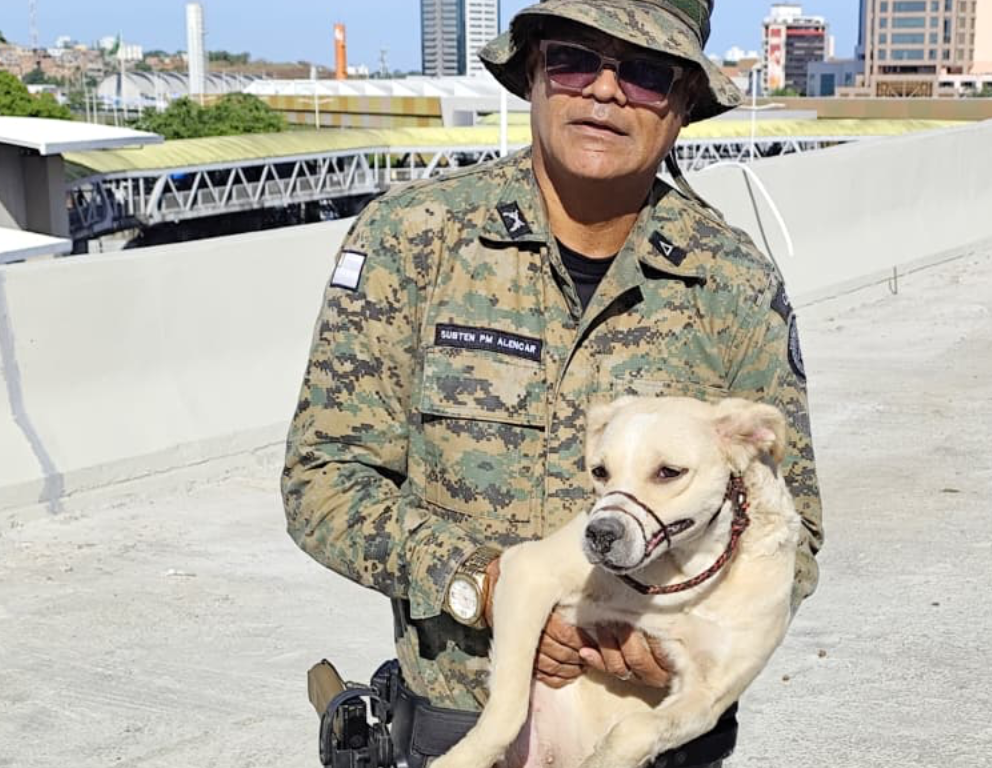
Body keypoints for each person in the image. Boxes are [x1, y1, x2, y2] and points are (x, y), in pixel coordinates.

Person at [282, 1, 823, 765]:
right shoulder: (416, 239)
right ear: (534, 71)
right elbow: (323, 478)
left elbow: (792, 532)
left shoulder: (731, 284)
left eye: (643, 73)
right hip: (461, 727)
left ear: (682, 105)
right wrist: (481, 583)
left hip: (651, 740)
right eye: (574, 58)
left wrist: (678, 635)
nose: (604, 91)